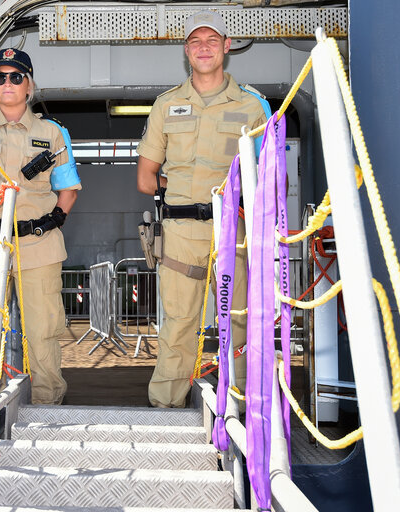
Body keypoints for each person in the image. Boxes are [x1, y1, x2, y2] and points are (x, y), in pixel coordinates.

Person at [136, 11, 268, 407]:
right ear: (186, 51)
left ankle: (241, 410)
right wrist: (180, 192)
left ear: (227, 46)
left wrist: (227, 199)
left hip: (233, 230)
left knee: (239, 321)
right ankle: (165, 408)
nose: (204, 47)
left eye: (212, 40)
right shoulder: (166, 105)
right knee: (178, 324)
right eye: (196, 41)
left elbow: (268, 180)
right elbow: (146, 180)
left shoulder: (253, 107)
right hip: (179, 233)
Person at [0, 48, 81, 405]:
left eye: (16, 76)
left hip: (38, 243)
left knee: (43, 328)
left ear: (29, 86)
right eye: (0, 77)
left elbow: (68, 188)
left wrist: (54, 220)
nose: (8, 83)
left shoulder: (53, 133)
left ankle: (48, 401)